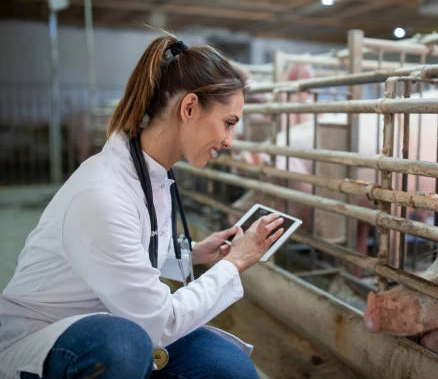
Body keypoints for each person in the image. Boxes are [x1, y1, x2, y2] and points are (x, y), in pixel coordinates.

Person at [0, 35, 285, 379]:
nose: (229, 141)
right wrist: (236, 261)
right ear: (189, 108)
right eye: (228, 123)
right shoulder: (102, 193)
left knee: (229, 368)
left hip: (118, 318)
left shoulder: (152, 174)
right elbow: (158, 323)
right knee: (122, 345)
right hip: (50, 335)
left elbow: (124, 258)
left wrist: (192, 254)